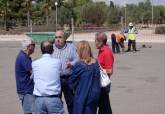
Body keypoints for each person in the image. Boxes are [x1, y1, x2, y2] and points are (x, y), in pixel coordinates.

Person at [69, 41, 101, 114]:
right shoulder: (96, 63)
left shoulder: (80, 65)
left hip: (83, 95)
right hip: (94, 95)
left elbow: (71, 82)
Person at [32, 41, 64, 114]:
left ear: (41, 51)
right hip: (53, 98)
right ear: (52, 51)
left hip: (39, 99)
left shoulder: (34, 63)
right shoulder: (58, 62)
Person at [52, 30, 79, 114]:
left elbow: (77, 59)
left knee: (71, 102)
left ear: (64, 38)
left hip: (68, 79)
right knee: (56, 102)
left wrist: (72, 64)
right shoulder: (51, 48)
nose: (58, 39)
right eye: (56, 37)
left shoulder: (71, 47)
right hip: (55, 79)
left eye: (60, 37)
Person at [15, 36, 35, 114]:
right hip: (26, 91)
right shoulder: (23, 58)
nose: (34, 46)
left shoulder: (24, 56)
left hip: (25, 89)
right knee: (30, 111)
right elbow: (33, 73)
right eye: (33, 45)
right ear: (28, 47)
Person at [95, 32, 114, 114]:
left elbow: (110, 71)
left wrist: (96, 70)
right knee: (103, 107)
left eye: (96, 40)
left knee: (105, 107)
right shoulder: (101, 50)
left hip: (104, 84)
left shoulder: (106, 52)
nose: (95, 42)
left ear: (101, 42)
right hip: (100, 83)